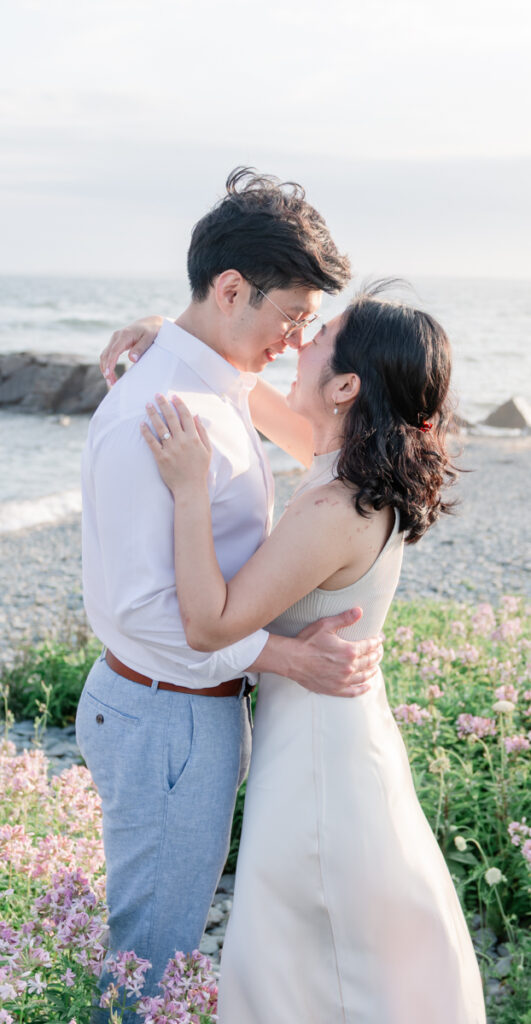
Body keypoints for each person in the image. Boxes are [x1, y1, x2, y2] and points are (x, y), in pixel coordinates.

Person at [76, 168, 384, 1020]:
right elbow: (142, 610)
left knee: (162, 939)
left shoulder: (216, 387)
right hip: (163, 709)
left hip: (190, 707)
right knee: (152, 952)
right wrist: (286, 656)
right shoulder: (164, 411)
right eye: (289, 315)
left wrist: (161, 329)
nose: (294, 340)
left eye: (305, 324)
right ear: (229, 288)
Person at [133, 287, 486, 1023]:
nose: (296, 343)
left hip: (316, 764)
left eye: (317, 335)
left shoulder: (335, 507)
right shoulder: (354, 470)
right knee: (345, 956)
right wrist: (163, 333)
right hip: (338, 740)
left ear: (346, 386)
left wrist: (189, 488)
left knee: (306, 958)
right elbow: (253, 398)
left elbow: (208, 624)